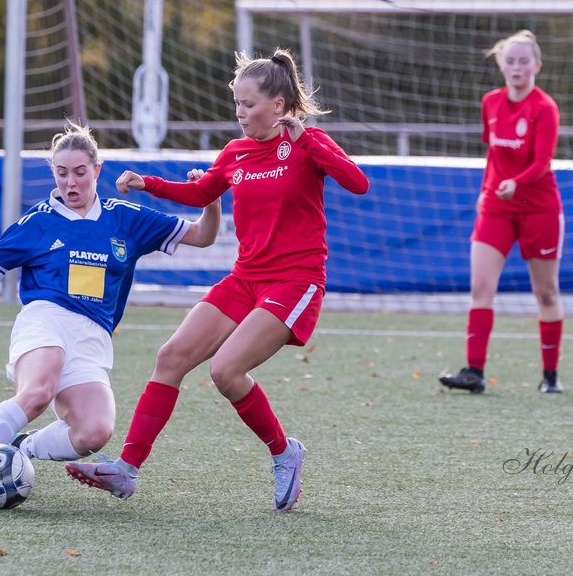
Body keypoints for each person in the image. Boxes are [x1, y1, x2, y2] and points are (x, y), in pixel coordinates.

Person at [66, 48, 370, 512]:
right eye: (237, 104)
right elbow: (203, 191)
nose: (241, 113)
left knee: (226, 370)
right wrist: (148, 182)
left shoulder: (307, 144)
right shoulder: (235, 152)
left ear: (280, 105)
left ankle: (285, 452)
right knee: (170, 357)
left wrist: (309, 139)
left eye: (249, 104)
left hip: (295, 280)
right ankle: (125, 470)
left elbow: (357, 182)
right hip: (245, 277)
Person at [0, 123, 221, 505]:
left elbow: (203, 235)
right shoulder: (37, 223)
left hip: (93, 336)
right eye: (61, 172)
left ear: (97, 170)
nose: (71, 182)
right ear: (53, 172)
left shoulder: (126, 218)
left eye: (80, 172)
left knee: (94, 432)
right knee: (37, 393)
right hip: (45, 319)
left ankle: (22, 447)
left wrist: (211, 198)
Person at [439, 29, 565, 395]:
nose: (517, 67)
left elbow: (542, 162)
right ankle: (474, 372)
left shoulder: (544, 108)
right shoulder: (491, 102)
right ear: (501, 65)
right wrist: (486, 190)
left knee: (546, 293)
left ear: (536, 66)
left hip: (538, 206)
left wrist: (517, 184)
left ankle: (551, 375)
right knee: (480, 286)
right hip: (497, 205)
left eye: (524, 61)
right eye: (511, 60)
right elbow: (494, 155)